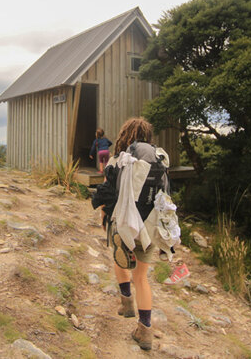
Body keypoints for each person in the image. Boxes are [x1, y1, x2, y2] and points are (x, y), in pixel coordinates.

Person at [92, 117, 168, 351]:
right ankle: (145, 331)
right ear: (147, 136)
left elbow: (106, 192)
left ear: (125, 135)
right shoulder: (159, 159)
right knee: (142, 278)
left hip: (124, 223)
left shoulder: (118, 160)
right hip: (149, 224)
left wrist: (104, 216)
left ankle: (126, 302)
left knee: (120, 257)